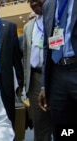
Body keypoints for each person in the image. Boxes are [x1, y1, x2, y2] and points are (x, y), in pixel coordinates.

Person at [38, 0, 77, 140]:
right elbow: (46, 47)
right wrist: (44, 84)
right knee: (62, 129)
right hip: (57, 73)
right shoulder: (48, 5)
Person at [23, 0, 52, 141]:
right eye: (31, 1)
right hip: (35, 79)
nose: (35, 3)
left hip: (55, 77)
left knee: (65, 123)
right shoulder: (28, 26)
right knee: (40, 126)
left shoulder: (57, 19)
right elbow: (26, 56)